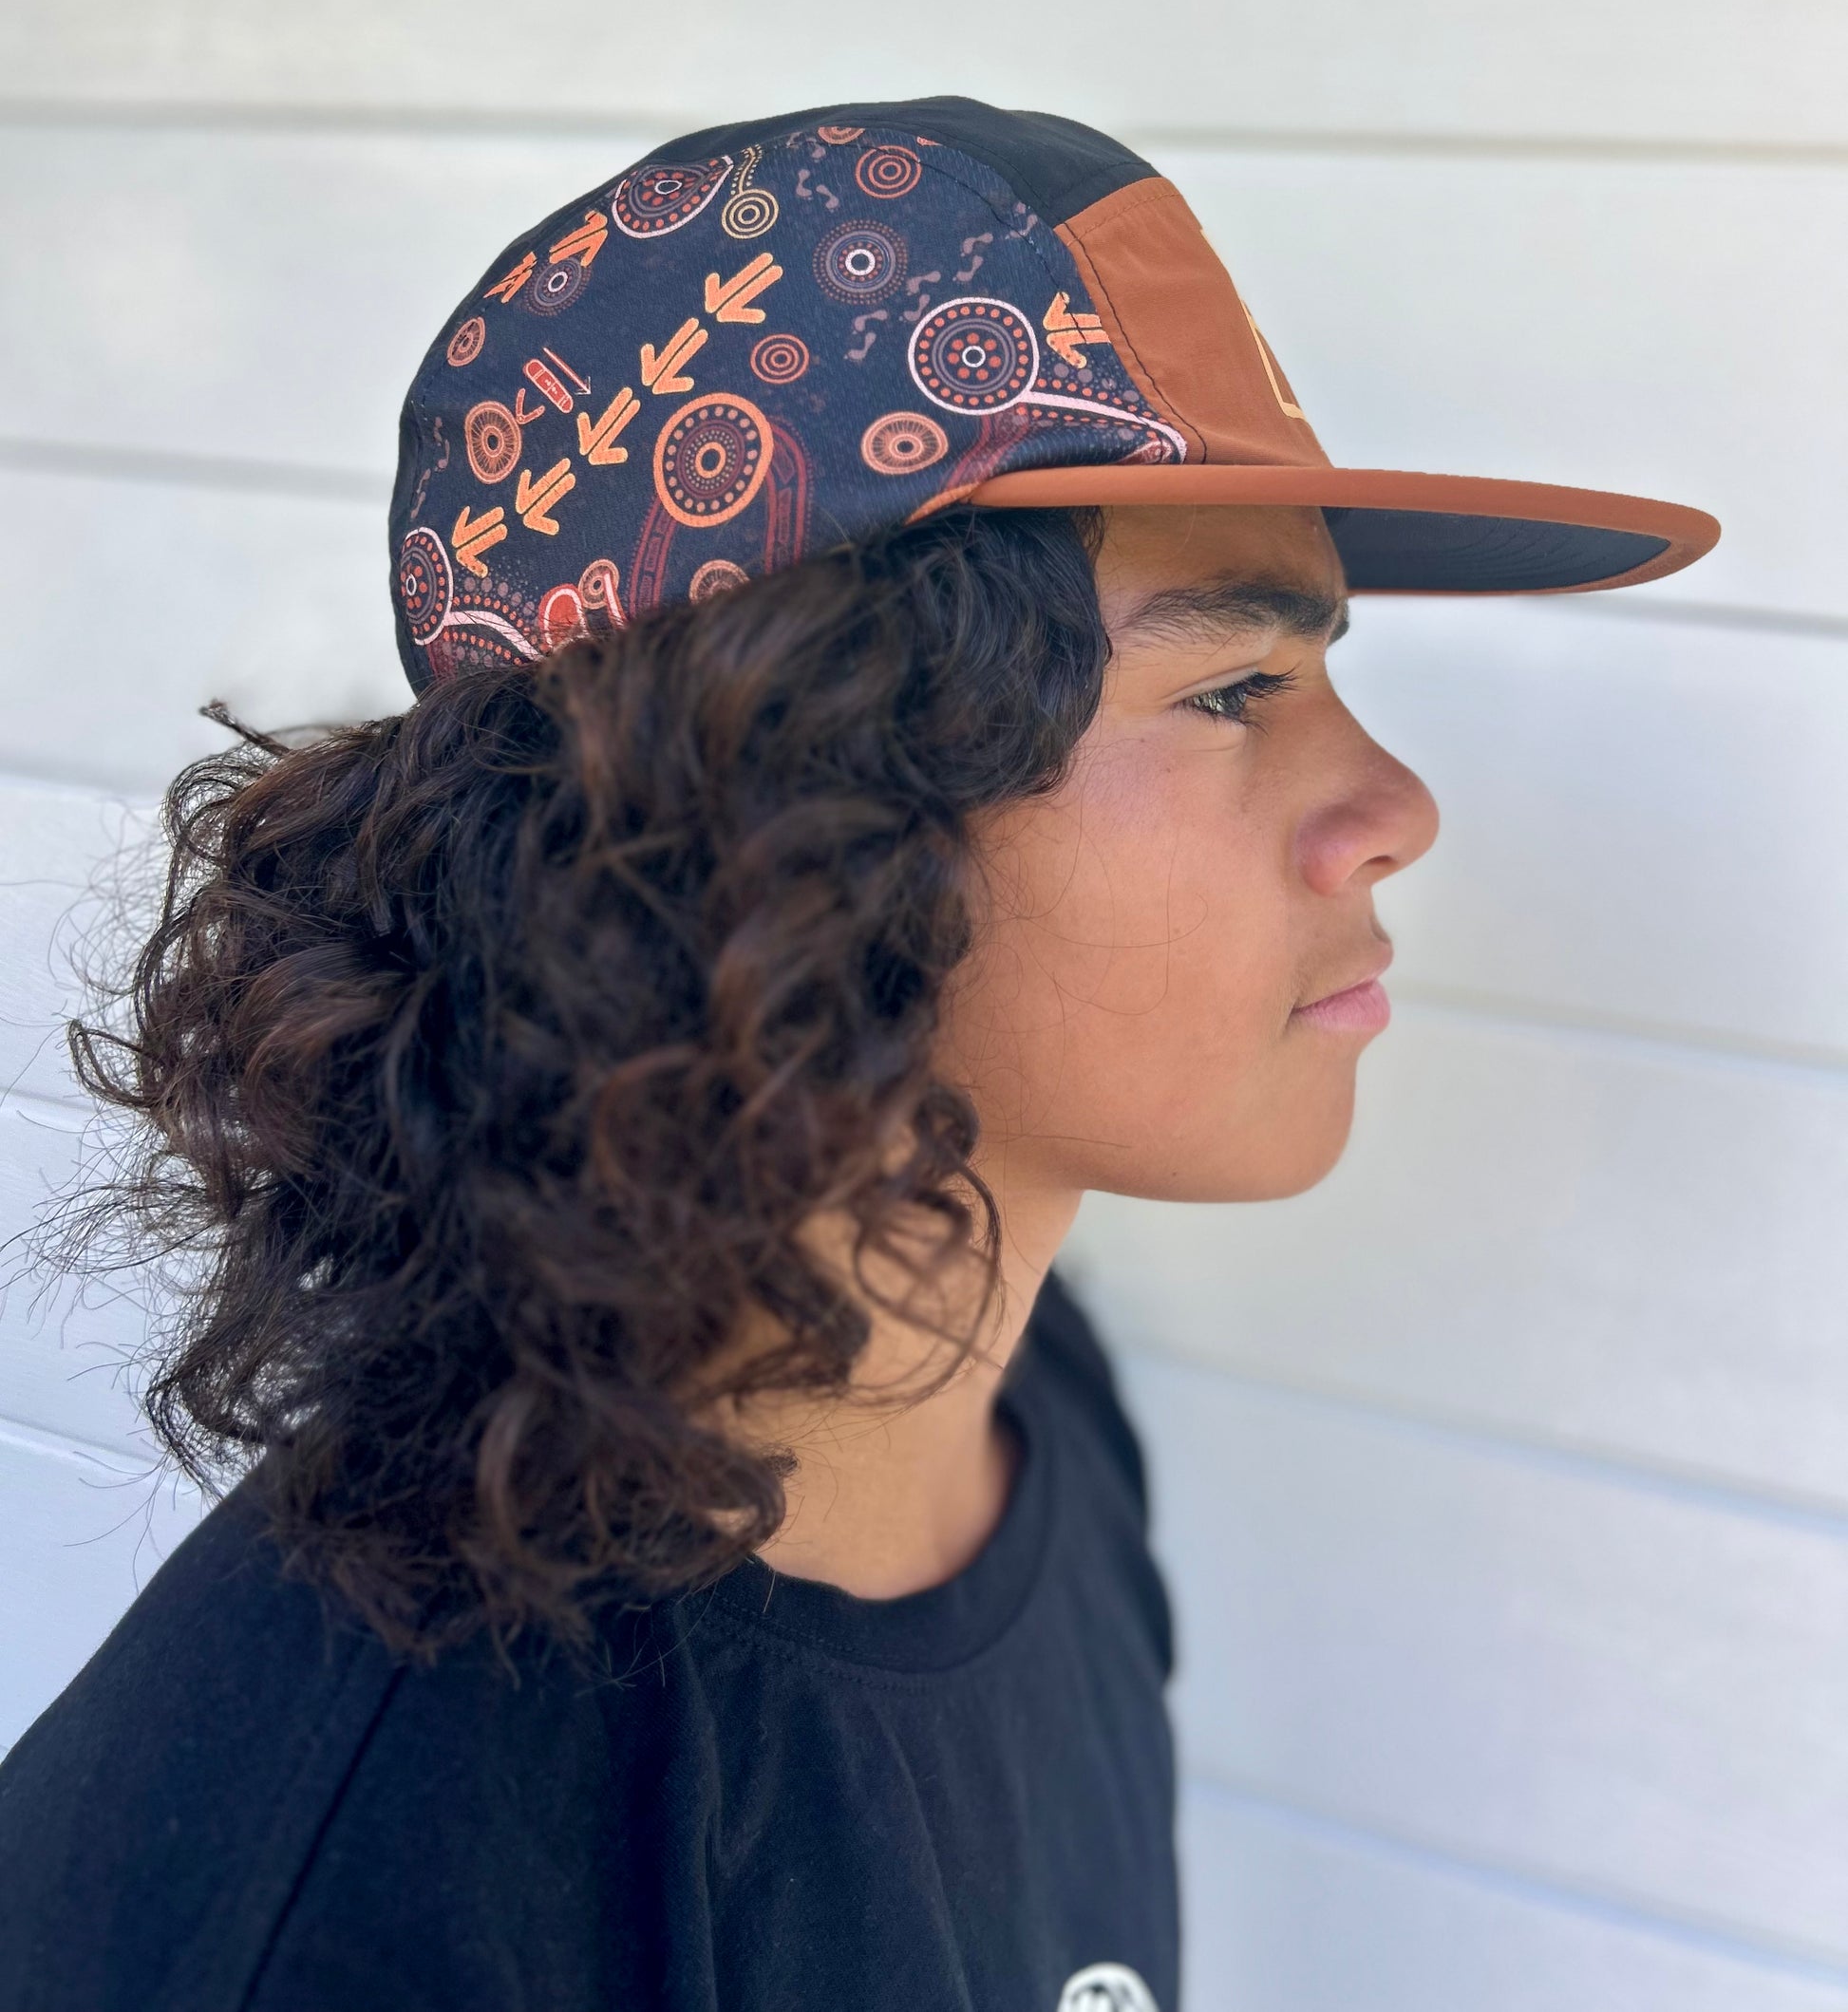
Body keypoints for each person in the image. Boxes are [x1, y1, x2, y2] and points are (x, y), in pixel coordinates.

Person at [0, 97, 1716, 2012]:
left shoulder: (1029, 1414)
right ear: (780, 811)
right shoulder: (374, 1865)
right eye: (1235, 687)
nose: (1394, 808)